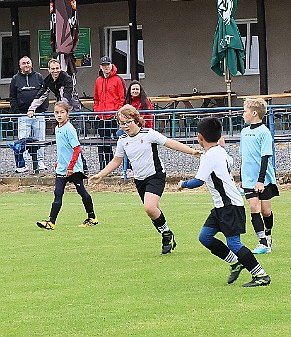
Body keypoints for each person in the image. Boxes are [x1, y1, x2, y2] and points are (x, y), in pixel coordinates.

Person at [89, 104, 201, 254]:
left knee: (149, 207)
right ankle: (166, 234)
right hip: (139, 180)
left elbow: (170, 143)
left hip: (156, 176)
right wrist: (100, 175)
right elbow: (116, 161)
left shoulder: (149, 134)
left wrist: (192, 151)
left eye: (128, 122)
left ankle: (166, 234)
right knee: (153, 211)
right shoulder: (122, 140)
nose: (125, 126)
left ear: (136, 120)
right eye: (122, 123)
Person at [178, 117, 271, 287]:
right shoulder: (221, 152)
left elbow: (198, 181)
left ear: (199, 137)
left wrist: (182, 184)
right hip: (222, 206)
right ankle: (236, 262)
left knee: (234, 243)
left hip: (230, 206)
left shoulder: (209, 156)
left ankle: (261, 275)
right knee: (205, 237)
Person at [36, 101, 98, 230]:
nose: (59, 115)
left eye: (62, 112)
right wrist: (60, 162)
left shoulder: (69, 129)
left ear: (67, 114)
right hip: (62, 168)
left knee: (82, 193)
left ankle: (92, 218)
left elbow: (76, 149)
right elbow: (63, 149)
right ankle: (51, 222)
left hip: (73, 168)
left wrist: (70, 166)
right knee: (58, 193)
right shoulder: (57, 128)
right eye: (56, 112)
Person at [27, 58, 88, 172]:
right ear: (49, 70)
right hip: (62, 113)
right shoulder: (48, 80)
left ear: (60, 68)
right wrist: (32, 109)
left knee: (74, 142)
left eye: (57, 68)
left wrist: (61, 110)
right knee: (63, 143)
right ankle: (66, 167)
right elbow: (41, 94)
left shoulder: (67, 79)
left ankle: (82, 167)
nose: (55, 71)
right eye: (53, 69)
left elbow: (66, 96)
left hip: (73, 111)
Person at [240, 98, 279, 254]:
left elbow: (265, 157)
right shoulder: (244, 132)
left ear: (254, 113)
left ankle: (268, 235)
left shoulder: (264, 132)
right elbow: (244, 156)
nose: (243, 114)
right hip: (249, 180)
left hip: (264, 179)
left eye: (245, 111)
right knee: (253, 208)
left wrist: (261, 181)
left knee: (265, 211)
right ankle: (262, 242)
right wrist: (242, 179)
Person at [9, 56, 48, 172]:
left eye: (28, 63)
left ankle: (40, 162)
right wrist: (18, 112)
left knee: (40, 139)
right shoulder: (15, 79)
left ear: (31, 64)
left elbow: (44, 93)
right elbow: (12, 97)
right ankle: (23, 164)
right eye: (23, 63)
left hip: (38, 115)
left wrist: (42, 109)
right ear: (20, 65)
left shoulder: (39, 77)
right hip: (22, 115)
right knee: (22, 140)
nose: (26, 65)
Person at [93, 56, 126, 170]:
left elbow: (122, 98)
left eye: (108, 65)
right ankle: (104, 166)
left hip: (114, 116)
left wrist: (118, 112)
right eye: (104, 65)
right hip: (101, 117)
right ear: (100, 67)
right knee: (102, 142)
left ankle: (120, 166)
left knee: (119, 141)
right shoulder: (98, 81)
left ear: (111, 65)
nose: (106, 67)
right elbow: (96, 98)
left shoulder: (118, 80)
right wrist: (96, 112)